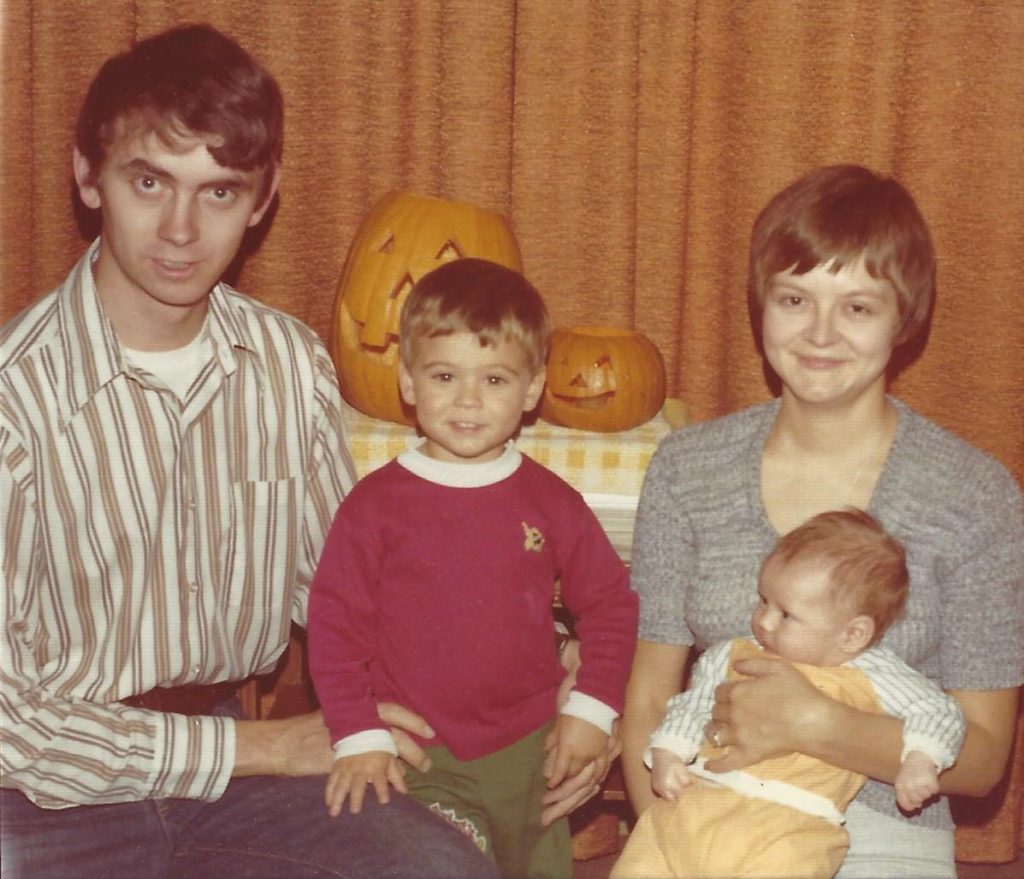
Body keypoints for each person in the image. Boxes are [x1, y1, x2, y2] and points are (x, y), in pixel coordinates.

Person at [0, 24, 504, 878]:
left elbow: (351, 591)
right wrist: (266, 745)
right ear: (89, 177)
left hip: (245, 768)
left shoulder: (289, 362)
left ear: (263, 199)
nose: (181, 229)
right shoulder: (15, 396)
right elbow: (10, 722)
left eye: (220, 191)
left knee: (442, 868)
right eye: (150, 181)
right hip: (45, 793)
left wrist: (526, 660)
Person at [621, 163, 1024, 879]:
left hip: (885, 829)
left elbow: (984, 756)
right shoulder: (687, 469)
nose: (820, 332)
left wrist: (816, 723)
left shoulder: (976, 495)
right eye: (794, 298)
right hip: (707, 813)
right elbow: (651, 691)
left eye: (858, 307)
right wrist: (671, 837)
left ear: (906, 317)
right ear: (761, 305)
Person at [307, 257, 639, 879]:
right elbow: (333, 627)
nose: (467, 400)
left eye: (494, 380)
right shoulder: (375, 505)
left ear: (533, 388)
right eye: (444, 375)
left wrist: (591, 711)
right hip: (419, 753)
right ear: (408, 381)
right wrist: (357, 734)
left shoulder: (551, 500)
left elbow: (612, 606)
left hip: (533, 749)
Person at [612, 508, 966, 879]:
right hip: (697, 805)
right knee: (643, 858)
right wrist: (669, 752)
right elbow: (693, 706)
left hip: (789, 826)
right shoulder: (731, 655)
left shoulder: (876, 673)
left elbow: (939, 711)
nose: (763, 621)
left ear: (853, 634)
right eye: (763, 600)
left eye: (785, 614)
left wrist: (922, 759)